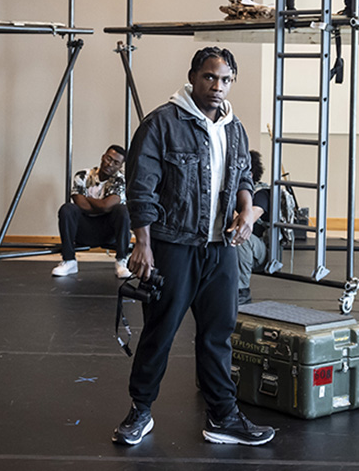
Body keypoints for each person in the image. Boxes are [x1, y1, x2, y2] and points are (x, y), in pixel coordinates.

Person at [112, 47, 274, 447]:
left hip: (220, 248)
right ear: (193, 77)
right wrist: (143, 243)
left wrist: (246, 211)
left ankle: (222, 416)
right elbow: (141, 188)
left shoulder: (234, 128)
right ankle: (140, 410)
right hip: (174, 245)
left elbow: (243, 177)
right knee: (160, 331)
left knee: (218, 335)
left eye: (225, 79)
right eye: (209, 77)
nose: (218, 86)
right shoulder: (161, 124)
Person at [51, 145, 132, 279]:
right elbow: (80, 203)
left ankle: (121, 261)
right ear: (103, 157)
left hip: (109, 233)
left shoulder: (120, 180)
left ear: (120, 167)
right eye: (109, 159)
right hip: (84, 231)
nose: (110, 164)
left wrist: (87, 198)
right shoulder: (83, 175)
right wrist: (102, 204)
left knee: (122, 210)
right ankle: (69, 261)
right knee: (67, 208)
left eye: (116, 163)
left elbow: (106, 206)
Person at [237, 150, 273, 306]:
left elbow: (248, 220)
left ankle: (241, 292)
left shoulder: (261, 193)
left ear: (249, 174)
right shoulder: (233, 193)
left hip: (260, 252)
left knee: (240, 235)